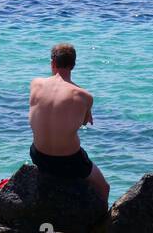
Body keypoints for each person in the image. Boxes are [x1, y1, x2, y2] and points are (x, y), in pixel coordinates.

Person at [28, 43, 110, 207]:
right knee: (104, 188)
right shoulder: (84, 96)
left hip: (38, 156)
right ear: (73, 65)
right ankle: (101, 225)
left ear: (52, 63)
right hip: (70, 162)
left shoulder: (35, 83)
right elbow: (85, 122)